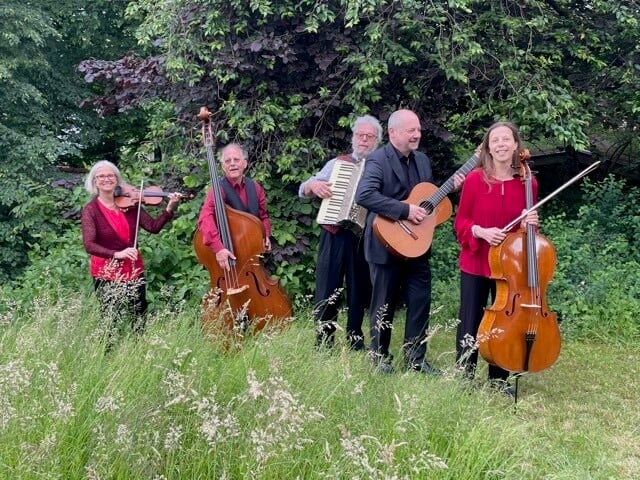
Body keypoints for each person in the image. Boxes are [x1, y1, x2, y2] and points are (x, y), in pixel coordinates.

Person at [356, 109, 464, 374]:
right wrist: (404, 211)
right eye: (410, 130)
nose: (417, 135)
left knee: (419, 302)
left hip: (417, 245)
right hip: (385, 244)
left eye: (418, 130)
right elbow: (365, 195)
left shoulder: (423, 161)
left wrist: (451, 190)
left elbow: (425, 199)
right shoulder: (377, 160)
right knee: (383, 304)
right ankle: (379, 357)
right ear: (393, 132)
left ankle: (416, 359)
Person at [453, 121, 539, 396]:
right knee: (470, 319)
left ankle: (498, 380)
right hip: (477, 261)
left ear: (516, 144)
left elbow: (527, 232)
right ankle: (465, 377)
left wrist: (531, 223)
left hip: (510, 266)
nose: (501, 145)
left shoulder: (528, 182)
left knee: (505, 322)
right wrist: (480, 231)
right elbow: (461, 222)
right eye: (495, 141)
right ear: (488, 148)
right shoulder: (475, 180)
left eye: (506, 139)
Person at [299, 115, 383, 350]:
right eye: (360, 135)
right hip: (333, 233)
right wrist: (313, 185)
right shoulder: (338, 163)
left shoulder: (380, 166)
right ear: (353, 137)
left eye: (369, 136)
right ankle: (323, 341)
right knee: (327, 286)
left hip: (362, 236)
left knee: (359, 288)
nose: (364, 140)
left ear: (377, 140)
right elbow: (303, 188)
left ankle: (355, 339)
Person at [81, 160, 181, 339]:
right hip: (106, 272)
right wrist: (116, 254)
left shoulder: (131, 205)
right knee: (110, 318)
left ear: (117, 179)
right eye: (101, 176)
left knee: (139, 315)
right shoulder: (91, 210)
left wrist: (169, 209)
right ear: (95, 181)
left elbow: (153, 227)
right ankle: (109, 356)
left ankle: (138, 353)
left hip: (133, 269)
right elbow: (89, 244)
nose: (106, 179)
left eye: (111, 175)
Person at [197, 143, 272, 271]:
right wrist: (219, 248)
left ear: (245, 163)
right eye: (227, 161)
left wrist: (266, 236)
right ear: (223, 167)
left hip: (252, 255)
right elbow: (205, 218)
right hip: (227, 257)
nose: (232, 163)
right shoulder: (217, 190)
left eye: (236, 159)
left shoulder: (256, 188)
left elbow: (263, 216)